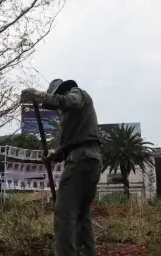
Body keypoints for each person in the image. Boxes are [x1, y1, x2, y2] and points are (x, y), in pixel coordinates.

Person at [21, 79, 102, 256]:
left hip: (82, 160)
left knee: (64, 213)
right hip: (89, 159)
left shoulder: (76, 93)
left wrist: (42, 96)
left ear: (61, 91)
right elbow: (70, 145)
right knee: (81, 215)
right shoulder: (71, 117)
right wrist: (55, 155)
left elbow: (71, 101)